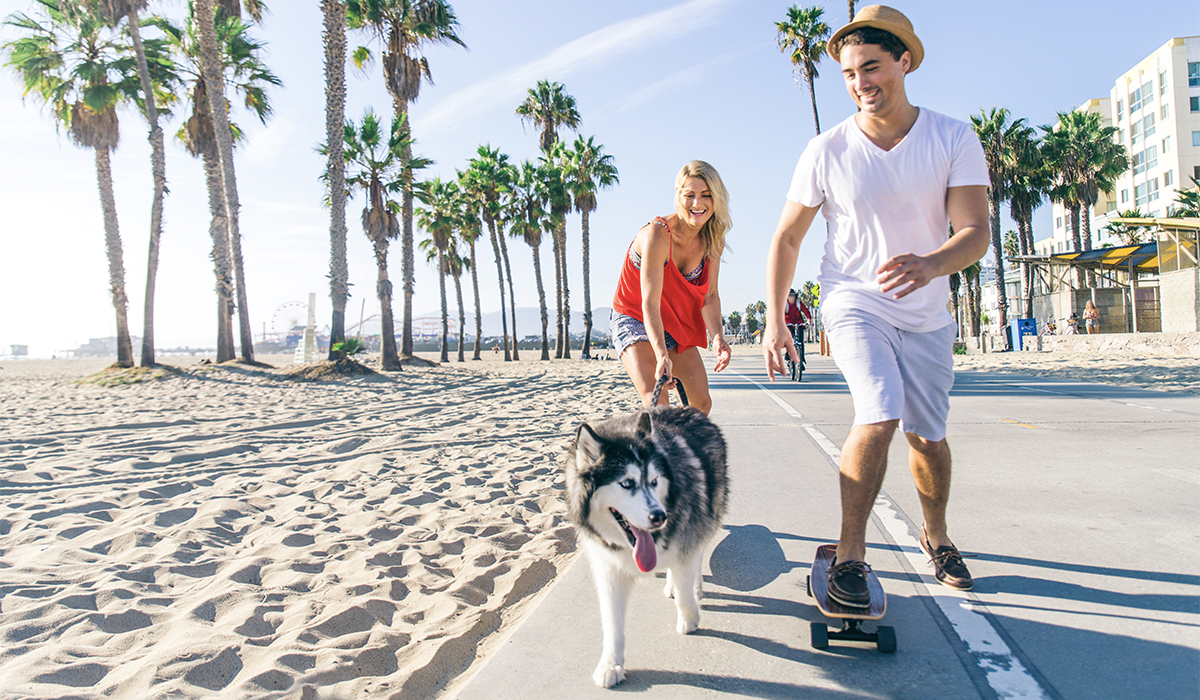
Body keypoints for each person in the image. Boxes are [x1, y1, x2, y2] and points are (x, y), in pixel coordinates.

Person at [762, 5, 991, 606]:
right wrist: (773, 321)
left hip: (927, 311)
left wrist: (931, 265)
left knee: (927, 436)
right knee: (880, 410)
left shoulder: (952, 136)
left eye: (871, 67)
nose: (861, 82)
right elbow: (788, 237)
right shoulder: (825, 149)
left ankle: (935, 535)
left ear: (904, 62)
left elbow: (974, 229)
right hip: (852, 297)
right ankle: (850, 556)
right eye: (848, 73)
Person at [610, 160, 733, 415]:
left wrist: (718, 336)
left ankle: (682, 452)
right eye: (690, 195)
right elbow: (649, 303)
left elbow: (710, 296)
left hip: (674, 322)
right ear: (679, 196)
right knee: (658, 400)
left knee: (701, 404)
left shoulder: (712, 239)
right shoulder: (658, 234)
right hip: (634, 316)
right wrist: (661, 355)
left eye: (706, 196)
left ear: (716, 199)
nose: (697, 204)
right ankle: (662, 451)